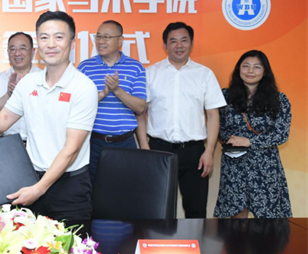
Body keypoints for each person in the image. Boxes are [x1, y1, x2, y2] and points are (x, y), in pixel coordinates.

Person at [0, 11, 97, 221]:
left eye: (59, 37)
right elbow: (1, 121)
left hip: (68, 187)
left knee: (69, 242)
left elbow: (71, 150)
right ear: (39, 44)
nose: (51, 44)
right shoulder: (28, 83)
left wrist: (39, 188)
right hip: (29, 179)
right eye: (44, 37)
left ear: (72, 44)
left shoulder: (83, 87)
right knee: (24, 241)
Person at [136, 22, 226, 218]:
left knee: (196, 210)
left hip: (195, 152)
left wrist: (209, 151)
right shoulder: (150, 73)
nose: (179, 46)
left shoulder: (204, 74)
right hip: (158, 150)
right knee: (156, 210)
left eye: (184, 40)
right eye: (173, 41)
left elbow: (213, 115)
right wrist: (144, 146)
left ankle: (195, 239)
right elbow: (141, 113)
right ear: (165, 45)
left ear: (191, 43)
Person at [214, 50, 292, 219]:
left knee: (268, 223)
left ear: (265, 72)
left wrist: (250, 141)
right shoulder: (225, 96)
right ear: (238, 69)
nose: (250, 71)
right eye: (246, 66)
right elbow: (216, 126)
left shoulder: (279, 99)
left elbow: (281, 134)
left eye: (257, 67)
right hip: (234, 165)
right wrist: (231, 139)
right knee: (236, 222)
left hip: (265, 165)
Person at [77, 20, 146, 185]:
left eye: (107, 37)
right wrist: (102, 94)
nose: (101, 41)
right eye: (98, 37)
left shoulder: (135, 67)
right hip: (93, 142)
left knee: (125, 190)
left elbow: (140, 107)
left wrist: (117, 90)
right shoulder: (85, 68)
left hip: (125, 143)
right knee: (93, 190)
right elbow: (77, 105)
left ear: (120, 40)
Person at [0, 32, 41, 143]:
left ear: (32, 52)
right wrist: (8, 94)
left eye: (22, 48)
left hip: (37, 143)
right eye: (13, 49)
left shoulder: (44, 78)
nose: (17, 53)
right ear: (8, 53)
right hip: (7, 143)